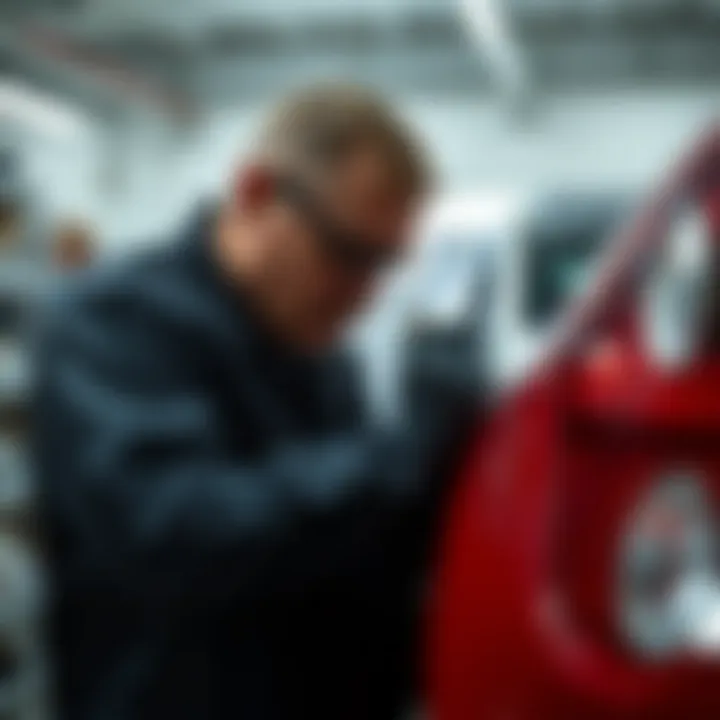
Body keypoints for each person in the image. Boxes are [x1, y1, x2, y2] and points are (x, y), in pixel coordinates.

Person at [34, 84, 480, 720]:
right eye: (348, 255)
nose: (367, 296)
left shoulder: (326, 362)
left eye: (384, 266)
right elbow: (179, 533)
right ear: (255, 193)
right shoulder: (113, 323)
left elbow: (339, 557)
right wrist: (398, 461)